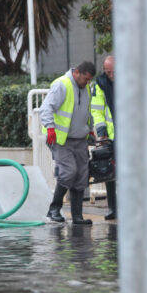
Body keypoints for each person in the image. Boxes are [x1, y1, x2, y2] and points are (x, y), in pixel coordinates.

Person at [41, 61, 96, 226]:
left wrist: (90, 129)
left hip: (79, 138)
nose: (87, 83)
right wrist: (50, 128)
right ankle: (53, 210)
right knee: (69, 172)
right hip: (60, 138)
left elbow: (87, 111)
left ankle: (77, 216)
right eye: (85, 79)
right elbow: (46, 108)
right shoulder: (61, 85)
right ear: (77, 72)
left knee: (81, 175)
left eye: (89, 80)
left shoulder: (85, 87)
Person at [90, 55, 116, 220]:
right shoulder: (100, 84)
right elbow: (97, 110)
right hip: (111, 136)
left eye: (113, 72)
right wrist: (102, 132)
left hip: (131, 135)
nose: (111, 76)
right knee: (109, 173)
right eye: (108, 72)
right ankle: (113, 207)